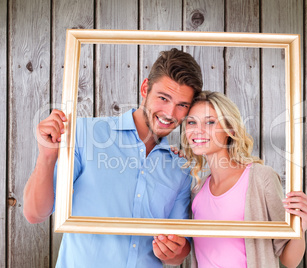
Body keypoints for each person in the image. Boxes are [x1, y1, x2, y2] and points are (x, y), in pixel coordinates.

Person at [23, 48, 203, 267]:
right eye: (163, 98)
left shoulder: (180, 169)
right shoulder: (85, 134)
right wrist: (47, 156)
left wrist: (173, 251)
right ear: (145, 88)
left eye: (182, 105)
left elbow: (179, 253)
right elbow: (35, 214)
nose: (170, 113)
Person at [178, 91, 307, 268]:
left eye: (210, 122)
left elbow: (289, 260)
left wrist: (300, 227)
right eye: (191, 122)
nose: (198, 130)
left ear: (230, 129)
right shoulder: (197, 190)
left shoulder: (260, 178)